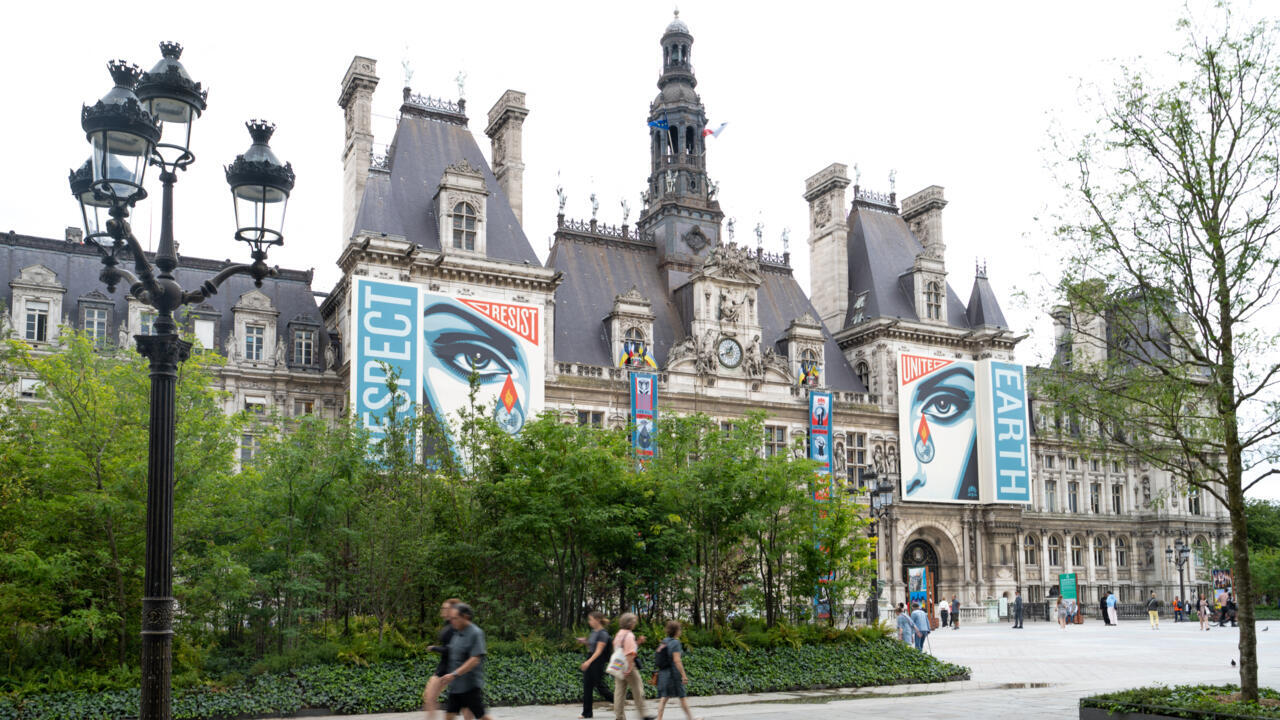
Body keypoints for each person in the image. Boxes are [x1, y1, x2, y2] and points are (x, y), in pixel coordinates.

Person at [440, 603, 493, 720]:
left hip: (470, 686)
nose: (452, 621)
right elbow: (452, 654)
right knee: (449, 716)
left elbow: (475, 659)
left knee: (482, 717)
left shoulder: (476, 633)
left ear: (465, 617)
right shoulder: (456, 632)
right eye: (451, 618)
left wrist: (454, 674)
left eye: (455, 618)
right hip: (456, 686)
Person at [423, 598, 471, 720]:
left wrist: (434, 648)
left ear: (452, 610)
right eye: (442, 608)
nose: (442, 610)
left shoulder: (456, 627)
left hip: (453, 667)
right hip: (444, 666)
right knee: (429, 696)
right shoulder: (448, 625)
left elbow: (452, 649)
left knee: (464, 703)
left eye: (445, 608)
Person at [654, 621, 699, 720]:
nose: (681, 631)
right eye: (680, 629)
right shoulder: (675, 642)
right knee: (682, 696)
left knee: (664, 697)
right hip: (673, 675)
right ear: (676, 631)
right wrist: (684, 675)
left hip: (663, 673)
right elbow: (677, 660)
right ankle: (691, 718)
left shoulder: (664, 641)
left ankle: (659, 718)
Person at [612, 612, 648, 720]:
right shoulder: (629, 635)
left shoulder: (619, 634)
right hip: (628, 666)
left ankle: (619, 716)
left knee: (619, 692)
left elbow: (621, 648)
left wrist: (637, 643)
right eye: (634, 621)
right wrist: (629, 667)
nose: (635, 623)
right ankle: (643, 714)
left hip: (618, 665)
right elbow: (630, 653)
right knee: (638, 689)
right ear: (629, 623)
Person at [578, 611, 613, 719]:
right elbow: (592, 646)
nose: (589, 622)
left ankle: (618, 702)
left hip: (598, 661)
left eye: (591, 619)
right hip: (591, 658)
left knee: (600, 687)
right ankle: (587, 713)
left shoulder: (603, 634)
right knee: (587, 686)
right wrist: (585, 642)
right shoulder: (594, 632)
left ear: (597, 620)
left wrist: (588, 662)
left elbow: (598, 651)